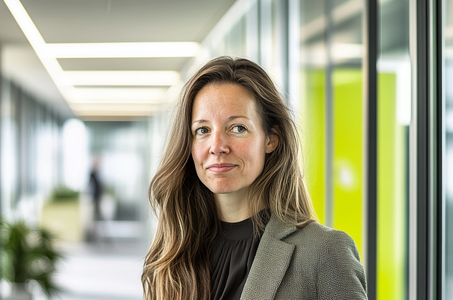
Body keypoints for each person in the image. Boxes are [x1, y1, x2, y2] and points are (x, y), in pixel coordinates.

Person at [142, 56, 367, 300]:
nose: (217, 146)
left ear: (271, 139)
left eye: (237, 128)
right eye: (203, 130)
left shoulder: (323, 252)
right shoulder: (172, 253)